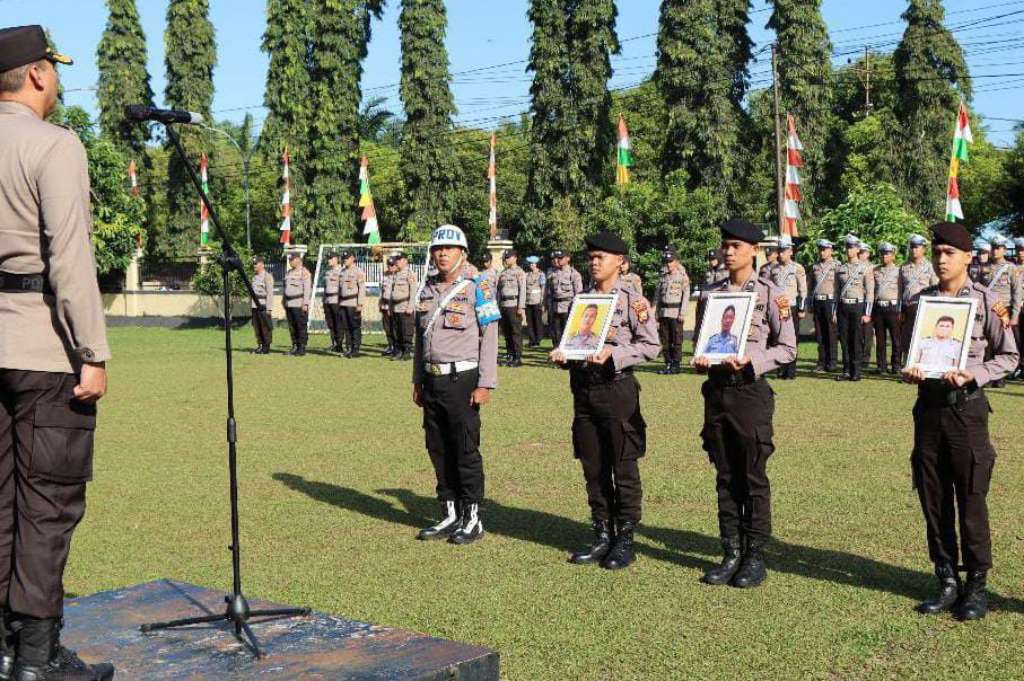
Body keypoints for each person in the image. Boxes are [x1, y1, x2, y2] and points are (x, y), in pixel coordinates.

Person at [0, 25, 116, 680]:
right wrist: (93, 352)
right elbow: (69, 260)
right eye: (54, 67)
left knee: (0, 501)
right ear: (38, 74)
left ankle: (6, 650)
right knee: (47, 503)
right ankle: (37, 661)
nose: (58, 78)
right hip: (44, 351)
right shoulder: (55, 145)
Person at [902, 221, 1018, 622]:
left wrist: (975, 374)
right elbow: (910, 351)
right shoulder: (921, 302)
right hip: (929, 408)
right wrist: (910, 369)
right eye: (937, 252)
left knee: (971, 497)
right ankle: (947, 579)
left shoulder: (986, 302)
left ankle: (976, 585)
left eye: (949, 253)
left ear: (968, 256)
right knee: (932, 496)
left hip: (966, 409)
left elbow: (1009, 357)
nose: (941, 259)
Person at [693, 219, 797, 589]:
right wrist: (701, 357)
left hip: (750, 391)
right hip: (717, 391)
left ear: (755, 250)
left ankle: (754, 555)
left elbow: (787, 348)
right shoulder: (711, 294)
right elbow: (703, 341)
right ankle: (730, 551)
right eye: (726, 245)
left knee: (752, 475)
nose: (729, 251)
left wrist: (753, 362)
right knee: (724, 475)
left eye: (737, 245)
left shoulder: (771, 294)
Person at [550, 231, 660, 570]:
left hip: (617, 389)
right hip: (583, 389)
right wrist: (563, 354)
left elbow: (651, 346)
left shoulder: (632, 300)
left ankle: (625, 537)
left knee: (623, 465)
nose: (595, 262)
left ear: (621, 262)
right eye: (592, 257)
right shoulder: (581, 300)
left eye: (602, 257)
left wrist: (616, 353)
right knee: (593, 465)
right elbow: (575, 341)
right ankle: (601, 532)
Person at [413, 225, 499, 545]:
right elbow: (419, 340)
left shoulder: (479, 286)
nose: (443, 254)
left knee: (464, 448)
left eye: (450, 248)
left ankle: (472, 517)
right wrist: (418, 380)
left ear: (463, 253)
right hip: (433, 379)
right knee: (437, 447)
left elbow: (489, 336)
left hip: (462, 379)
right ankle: (449, 511)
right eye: (438, 249)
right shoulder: (427, 288)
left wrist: (486, 383)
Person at [833, 235, 874, 381]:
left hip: (857, 306)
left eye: (851, 247)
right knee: (844, 339)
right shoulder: (840, 269)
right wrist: (834, 312)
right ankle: (846, 370)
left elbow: (870, 292)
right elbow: (836, 292)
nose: (848, 250)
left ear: (857, 249)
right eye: (847, 247)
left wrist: (867, 313)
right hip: (843, 306)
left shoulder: (865, 269)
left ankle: (856, 371)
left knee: (856, 339)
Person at [983, 235, 1019, 388]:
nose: (995, 250)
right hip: (987, 309)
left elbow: (1017, 293)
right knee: (987, 345)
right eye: (993, 247)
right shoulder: (985, 267)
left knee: (1002, 345)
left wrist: (1015, 315)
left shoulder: (1011, 268)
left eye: (998, 248)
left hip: (1004, 310)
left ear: (1004, 249)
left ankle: (1000, 377)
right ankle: (987, 376)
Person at [899, 234, 939, 369]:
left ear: (924, 249)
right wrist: (900, 309)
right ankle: (907, 366)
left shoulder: (930, 267)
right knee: (907, 338)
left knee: (923, 339)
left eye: (917, 247)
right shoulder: (903, 267)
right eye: (912, 247)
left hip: (924, 308)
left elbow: (936, 288)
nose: (914, 250)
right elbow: (900, 290)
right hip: (908, 307)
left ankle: (922, 366)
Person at [769, 236, 806, 380]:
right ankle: (780, 369)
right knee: (778, 338)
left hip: (791, 306)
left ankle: (791, 370)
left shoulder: (797, 268)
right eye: (779, 251)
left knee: (792, 339)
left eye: (783, 251)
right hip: (778, 307)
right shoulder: (774, 269)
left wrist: (802, 309)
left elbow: (803, 290)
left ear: (790, 251)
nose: (780, 254)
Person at [655, 248, 690, 375]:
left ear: (676, 262)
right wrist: (656, 313)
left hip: (676, 313)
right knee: (665, 340)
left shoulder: (682, 276)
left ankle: (676, 364)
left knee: (676, 340)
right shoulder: (663, 277)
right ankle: (668, 364)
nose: (668, 264)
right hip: (664, 313)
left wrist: (683, 312)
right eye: (666, 262)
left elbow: (686, 295)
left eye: (670, 261)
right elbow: (657, 296)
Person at [809, 239, 839, 372]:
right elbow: (811, 286)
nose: (822, 252)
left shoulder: (837, 266)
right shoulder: (815, 266)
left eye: (825, 249)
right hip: (817, 302)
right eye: (820, 249)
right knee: (820, 334)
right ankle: (821, 361)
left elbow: (839, 287)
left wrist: (837, 308)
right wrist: (809, 303)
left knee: (831, 334)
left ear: (831, 250)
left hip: (830, 302)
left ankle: (832, 362)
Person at [872, 242, 902, 374]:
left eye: (887, 253)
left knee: (896, 338)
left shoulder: (898, 271)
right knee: (880, 339)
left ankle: (896, 365)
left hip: (893, 308)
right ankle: (881, 366)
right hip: (879, 308)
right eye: (883, 254)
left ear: (893, 255)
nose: (884, 256)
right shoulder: (875, 270)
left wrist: (901, 309)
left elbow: (901, 290)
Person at [497, 249, 527, 367]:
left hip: (514, 304)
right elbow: (499, 291)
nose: (506, 259)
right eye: (505, 257)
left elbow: (522, 290)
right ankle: (510, 355)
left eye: (508, 257)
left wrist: (521, 307)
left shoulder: (519, 272)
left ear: (515, 258)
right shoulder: (503, 273)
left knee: (516, 332)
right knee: (507, 332)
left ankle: (517, 357)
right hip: (503, 305)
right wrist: (498, 305)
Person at [548, 250, 583, 347]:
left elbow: (578, 293)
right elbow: (549, 292)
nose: (557, 260)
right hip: (555, 307)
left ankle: (568, 354)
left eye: (560, 258)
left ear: (568, 259)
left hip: (568, 307)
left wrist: (577, 309)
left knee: (568, 333)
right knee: (556, 333)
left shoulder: (574, 274)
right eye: (556, 258)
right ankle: (557, 351)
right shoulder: (552, 274)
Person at [389, 253, 418, 361]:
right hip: (396, 308)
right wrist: (390, 307)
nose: (397, 262)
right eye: (396, 260)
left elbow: (413, 291)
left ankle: (407, 352)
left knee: (406, 330)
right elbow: (392, 292)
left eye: (399, 260)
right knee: (397, 331)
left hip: (405, 307)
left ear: (405, 261)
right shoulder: (396, 274)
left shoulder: (410, 274)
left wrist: (410, 306)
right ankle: (399, 351)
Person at [283, 252, 312, 356]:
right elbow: (285, 288)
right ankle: (294, 346)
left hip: (299, 303)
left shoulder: (304, 272)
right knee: (292, 327)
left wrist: (306, 304)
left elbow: (307, 289)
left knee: (300, 326)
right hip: (289, 303)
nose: (290, 262)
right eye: (289, 260)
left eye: (292, 259)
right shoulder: (289, 273)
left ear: (298, 260)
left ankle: (302, 347)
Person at [339, 251, 367, 358]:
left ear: (352, 258)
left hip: (353, 303)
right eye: (344, 258)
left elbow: (362, 288)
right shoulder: (342, 272)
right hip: (343, 303)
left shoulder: (358, 271)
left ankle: (355, 349)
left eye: (346, 258)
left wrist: (360, 303)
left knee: (354, 326)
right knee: (346, 327)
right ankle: (349, 348)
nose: (345, 260)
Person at [250, 256, 275, 355]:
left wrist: (269, 308)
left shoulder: (267, 276)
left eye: (256, 264)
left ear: (262, 264)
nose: (254, 266)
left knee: (265, 327)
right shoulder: (254, 277)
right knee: (257, 327)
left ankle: (266, 346)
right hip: (254, 305)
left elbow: (269, 293)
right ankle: (260, 345)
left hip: (263, 304)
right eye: (253, 264)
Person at [858, 243, 876, 369]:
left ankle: (865, 358)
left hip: (869, 302)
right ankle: (856, 356)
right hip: (857, 301)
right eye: (859, 252)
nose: (860, 254)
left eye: (862, 252)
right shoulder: (853, 266)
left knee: (867, 332)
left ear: (868, 253)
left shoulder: (873, 268)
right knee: (856, 331)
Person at [322, 252, 343, 353]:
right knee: (330, 324)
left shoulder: (342, 271)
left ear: (336, 259)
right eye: (328, 258)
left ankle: (339, 345)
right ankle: (334, 343)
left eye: (330, 258)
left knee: (338, 323)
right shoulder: (328, 272)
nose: (328, 260)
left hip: (336, 300)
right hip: (328, 301)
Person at [524, 256, 546, 348]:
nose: (531, 265)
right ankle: (532, 340)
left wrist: (542, 301)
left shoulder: (541, 275)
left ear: (536, 264)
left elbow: (543, 288)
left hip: (537, 301)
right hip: (528, 301)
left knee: (537, 321)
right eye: (530, 264)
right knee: (530, 322)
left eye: (532, 264)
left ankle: (538, 340)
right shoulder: (527, 275)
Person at [380, 255, 397, 357]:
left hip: (395, 306)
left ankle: (397, 347)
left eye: (392, 265)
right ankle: (390, 345)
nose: (390, 267)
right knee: (387, 327)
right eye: (388, 265)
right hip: (385, 305)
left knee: (395, 328)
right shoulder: (385, 275)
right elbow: (381, 290)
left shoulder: (399, 276)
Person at [1014, 237, 1024, 379]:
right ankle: (1018, 365)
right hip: (1016, 308)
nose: (1021, 253)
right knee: (1016, 339)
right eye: (1019, 250)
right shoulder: (1012, 267)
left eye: (1023, 250)